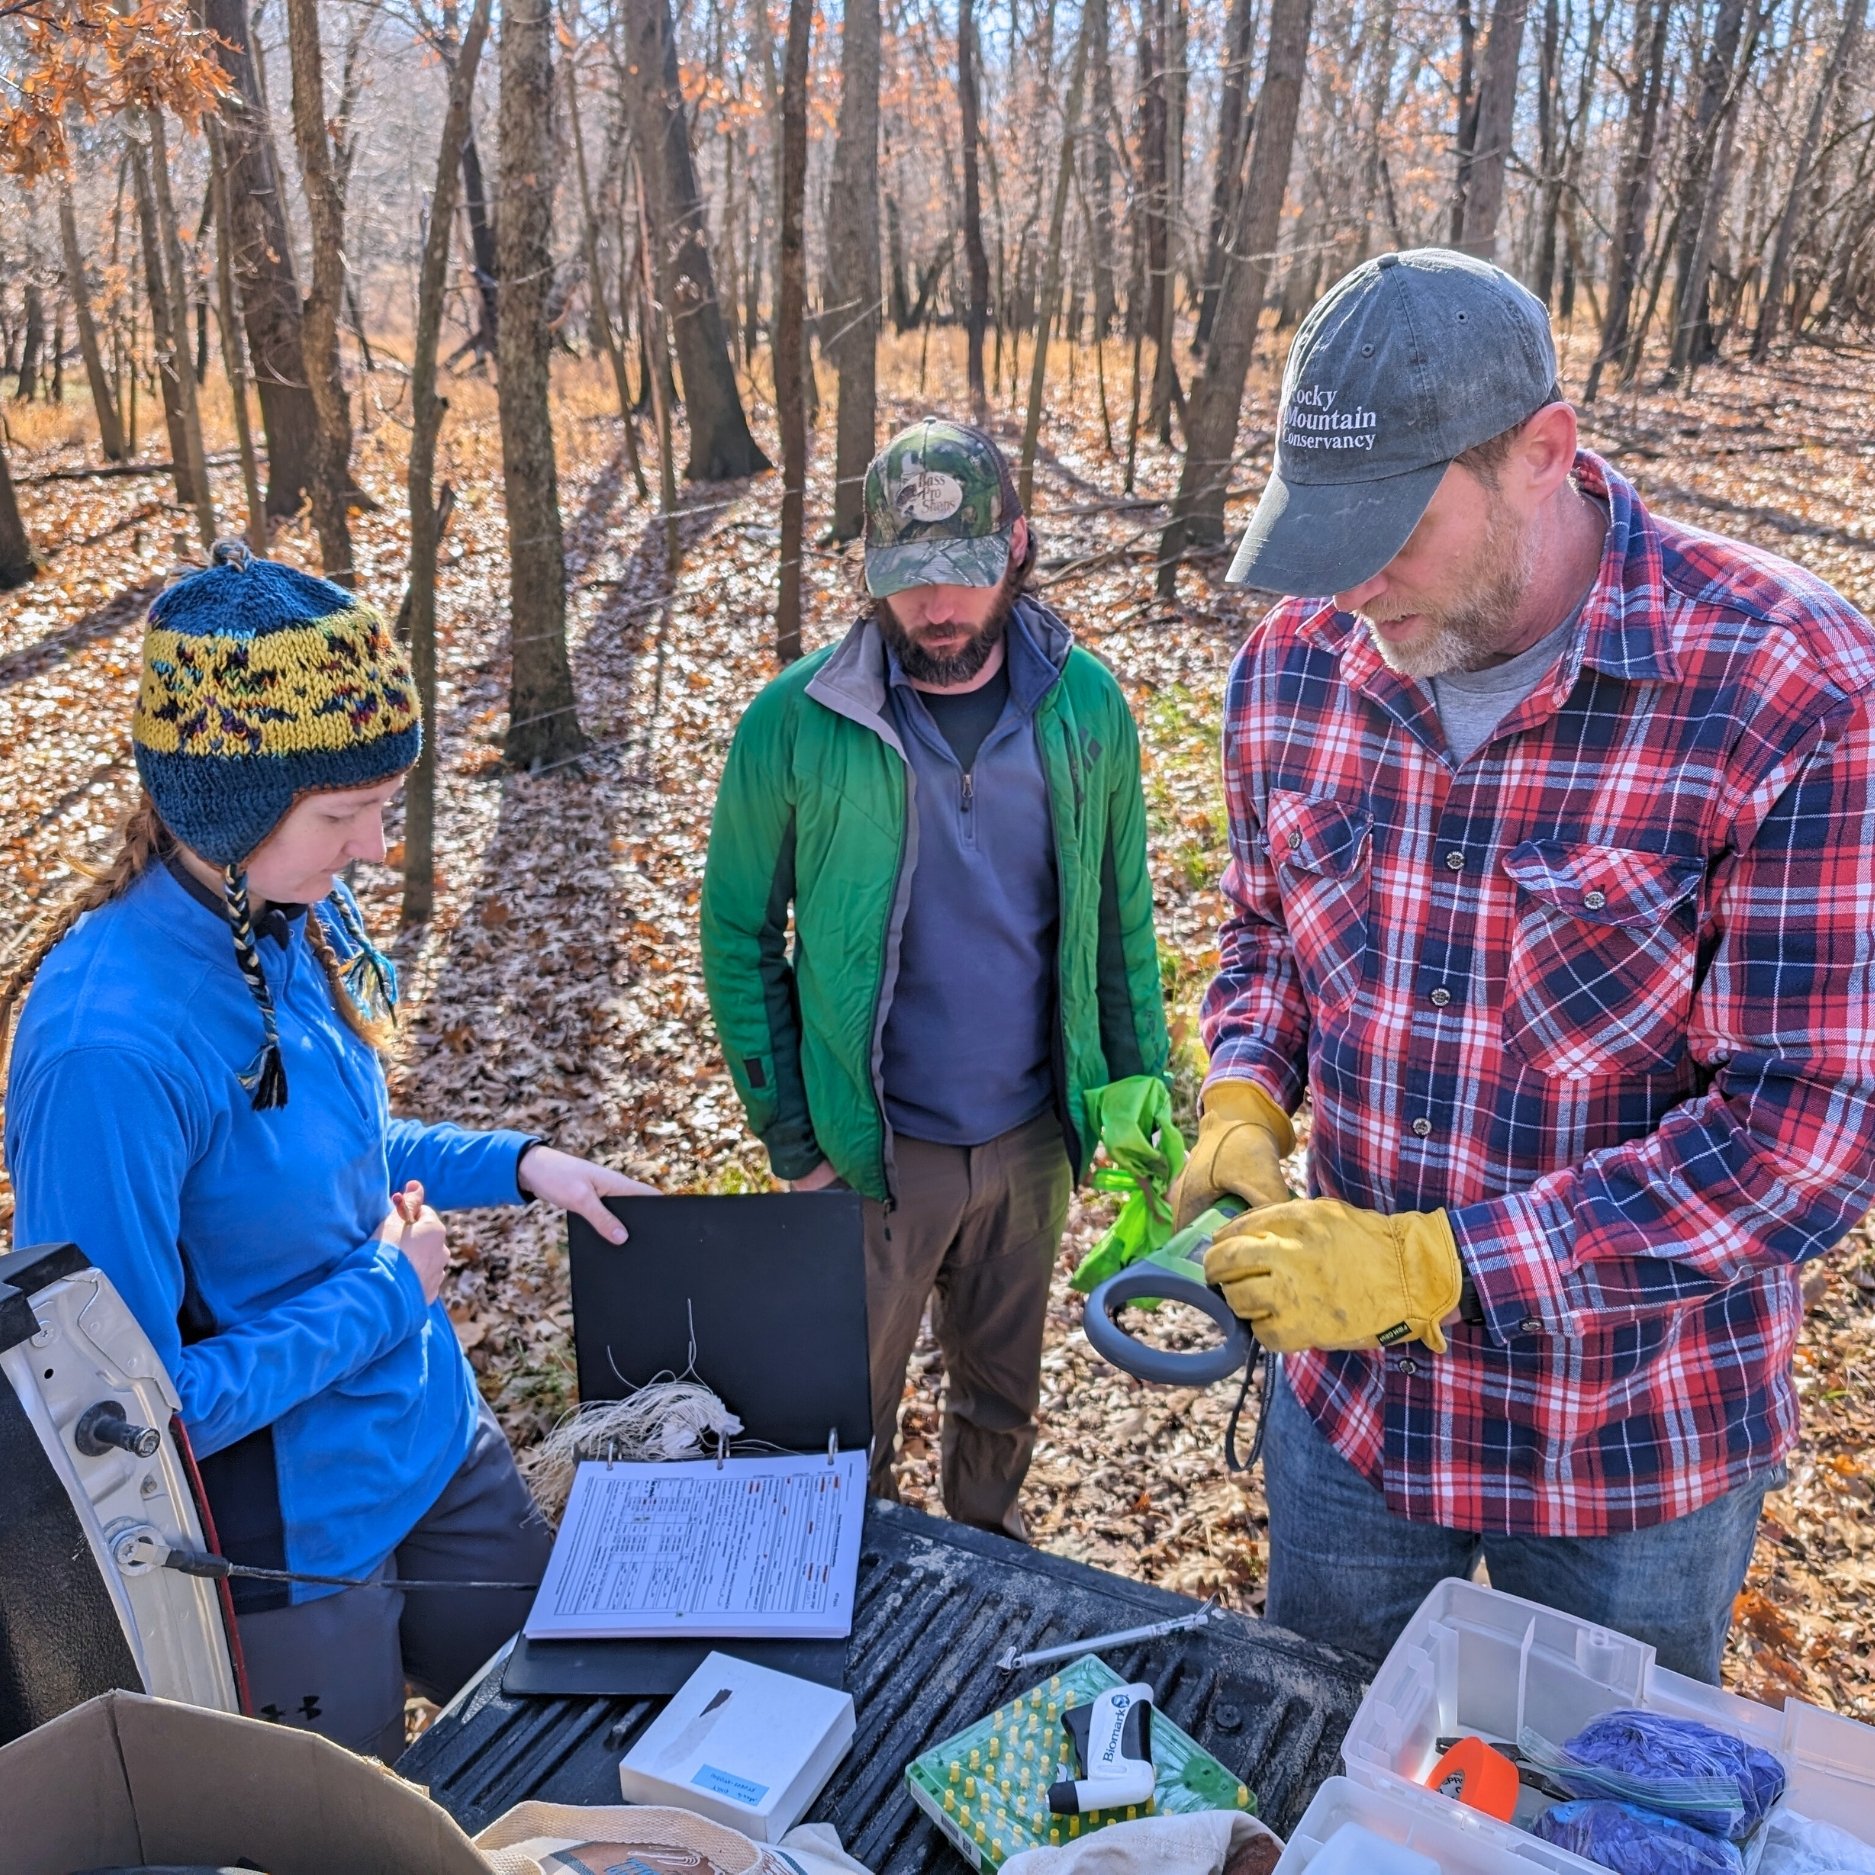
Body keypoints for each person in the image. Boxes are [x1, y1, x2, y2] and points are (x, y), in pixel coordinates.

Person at [1173, 247, 1875, 1682]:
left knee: (1588, 1812)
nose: (1353, 580)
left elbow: (1802, 1138)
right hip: (1354, 1425)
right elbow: (1262, 932)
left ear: (1541, 452)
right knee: (1328, 1768)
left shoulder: (1783, 685)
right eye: (1322, 529)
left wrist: (1441, 1264)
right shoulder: (1295, 663)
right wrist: (1243, 1090)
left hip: (1624, 1450)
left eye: (1392, 528)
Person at [1, 542, 650, 1758]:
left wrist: (518, 1165)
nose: (372, 850)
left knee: (575, 1740)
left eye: (382, 808)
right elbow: (131, 1411)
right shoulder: (108, 1050)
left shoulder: (287, 909)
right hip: (288, 1543)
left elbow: (320, 1154)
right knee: (362, 1830)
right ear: (227, 809)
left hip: (430, 1438)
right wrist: (387, 1291)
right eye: (343, 816)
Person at [702, 419, 1167, 1539]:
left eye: (961, 573)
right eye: (909, 582)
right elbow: (738, 936)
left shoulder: (1086, 708)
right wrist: (794, 1145)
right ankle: (843, 1591)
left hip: (1032, 1141)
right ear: (870, 575)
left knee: (1001, 1397)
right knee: (839, 1414)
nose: (938, 608)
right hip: (871, 1154)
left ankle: (986, 1565)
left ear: (1014, 546)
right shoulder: (796, 723)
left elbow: (1120, 918)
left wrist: (1138, 1091)